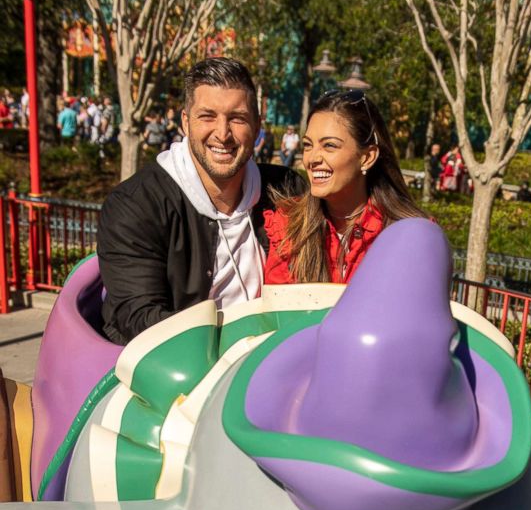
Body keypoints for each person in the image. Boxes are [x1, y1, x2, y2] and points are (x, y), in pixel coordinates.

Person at [98, 57, 304, 345]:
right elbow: (138, 316)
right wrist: (234, 341)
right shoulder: (135, 205)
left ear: (257, 126)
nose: (222, 133)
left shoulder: (286, 190)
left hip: (264, 360)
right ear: (185, 121)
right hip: (171, 367)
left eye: (237, 118)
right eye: (207, 116)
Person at [263, 89, 427, 285]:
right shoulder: (288, 226)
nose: (312, 159)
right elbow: (278, 312)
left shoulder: (411, 236)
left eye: (329, 146)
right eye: (308, 145)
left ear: (367, 157)